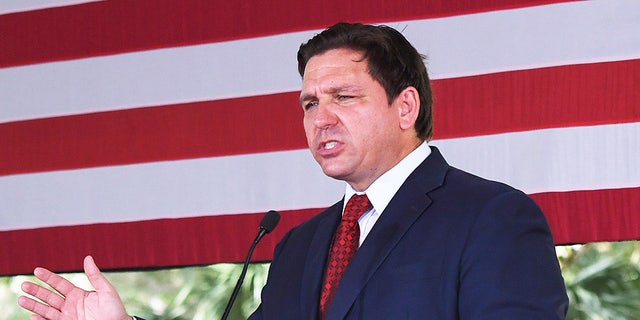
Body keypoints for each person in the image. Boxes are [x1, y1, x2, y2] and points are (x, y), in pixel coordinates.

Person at [19, 22, 569, 320]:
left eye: (343, 96)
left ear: (406, 107)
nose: (320, 119)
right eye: (309, 104)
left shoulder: (492, 216)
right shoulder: (301, 245)